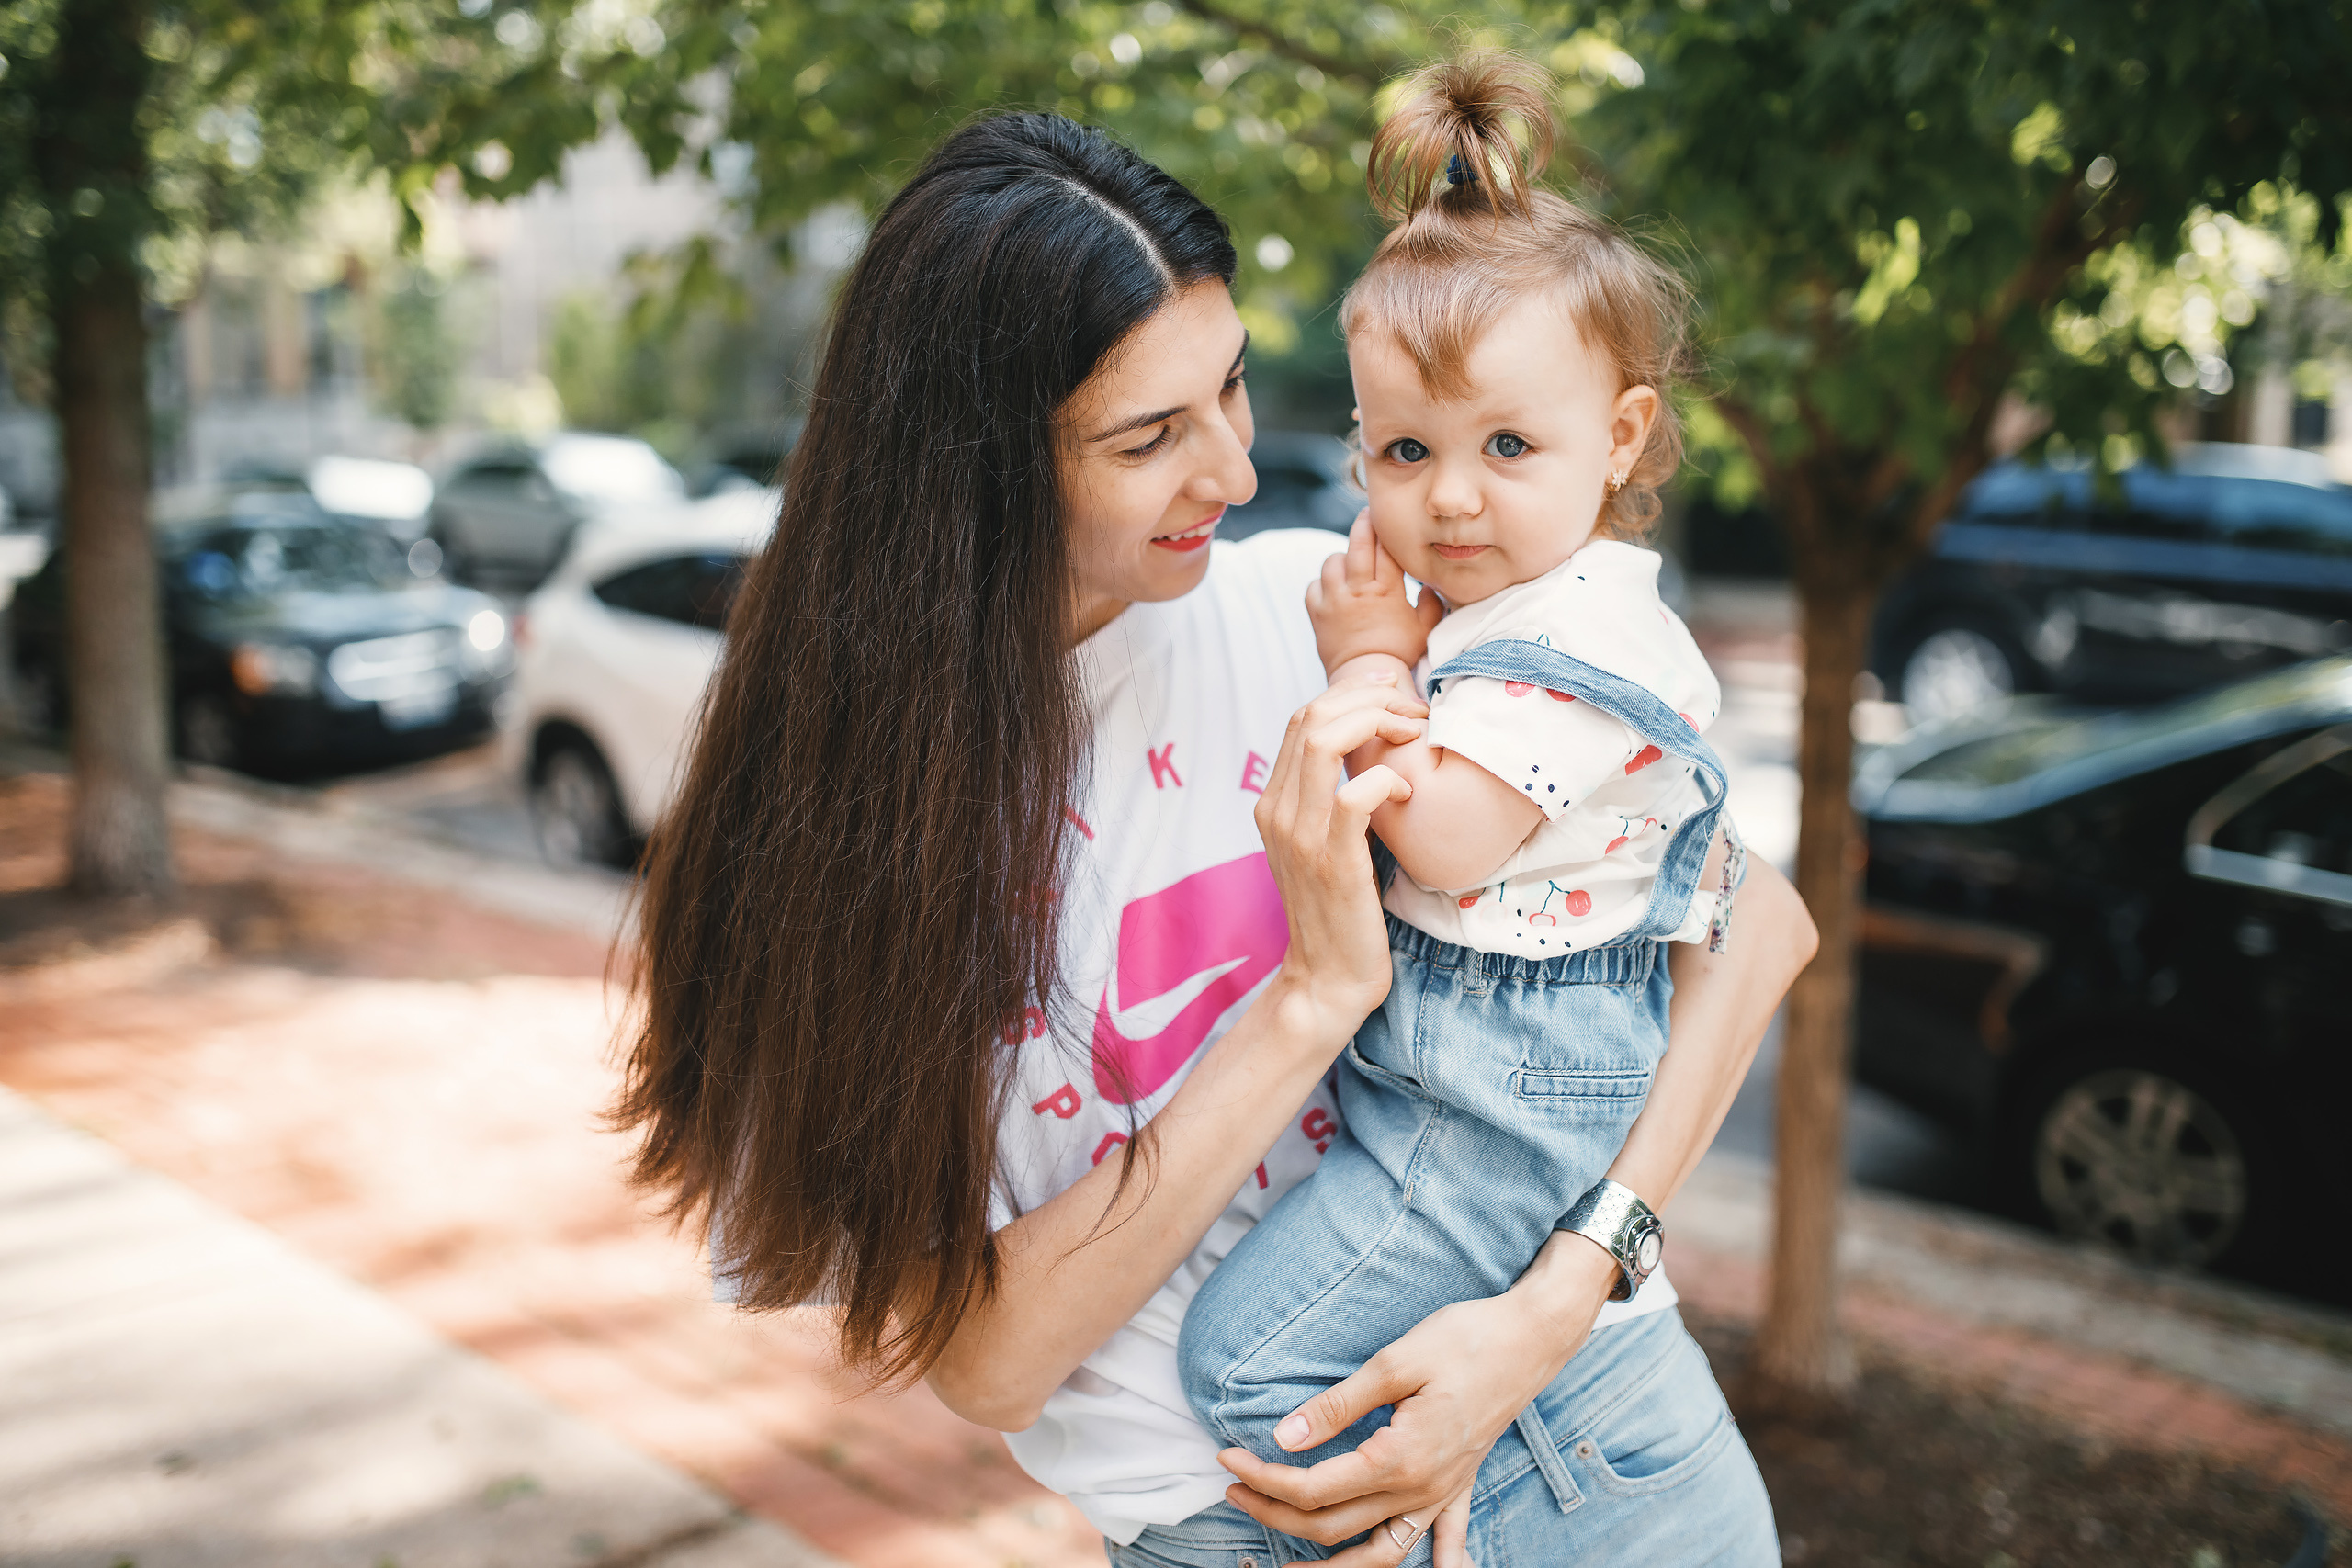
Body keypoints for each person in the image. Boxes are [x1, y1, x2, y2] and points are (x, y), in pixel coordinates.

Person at [615, 105, 1816, 1568]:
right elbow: (986, 1365)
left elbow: (1752, 923)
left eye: (1233, 389)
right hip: (1253, 1523)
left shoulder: (1336, 617)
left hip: (1597, 1432)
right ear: (978, 471)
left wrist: (1564, 1293)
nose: (1238, 477)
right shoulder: (815, 852)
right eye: (1150, 437)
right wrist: (1317, 993)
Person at [1174, 51, 1781, 1563]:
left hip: (1504, 1083)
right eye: (1404, 451)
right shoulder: (1526, 607)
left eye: (1508, 446)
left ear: (1624, 438)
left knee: (1246, 1365)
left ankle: (1459, 1475)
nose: (1448, 501)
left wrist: (1371, 659)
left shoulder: (1567, 645)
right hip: (1466, 1070)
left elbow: (1444, 839)